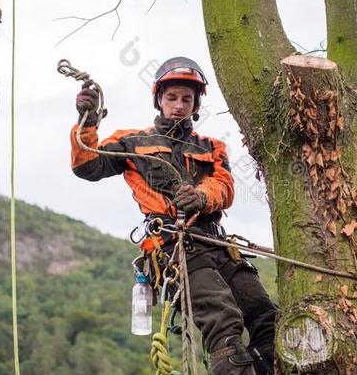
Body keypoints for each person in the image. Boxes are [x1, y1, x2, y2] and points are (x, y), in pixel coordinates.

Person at [70, 57, 277, 374]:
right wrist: (88, 122)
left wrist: (201, 196)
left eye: (186, 99)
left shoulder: (211, 147)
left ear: (195, 105)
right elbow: (87, 165)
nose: (178, 105)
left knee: (266, 317)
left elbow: (225, 187)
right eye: (172, 98)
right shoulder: (133, 142)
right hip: (175, 248)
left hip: (218, 245)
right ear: (159, 100)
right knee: (224, 322)